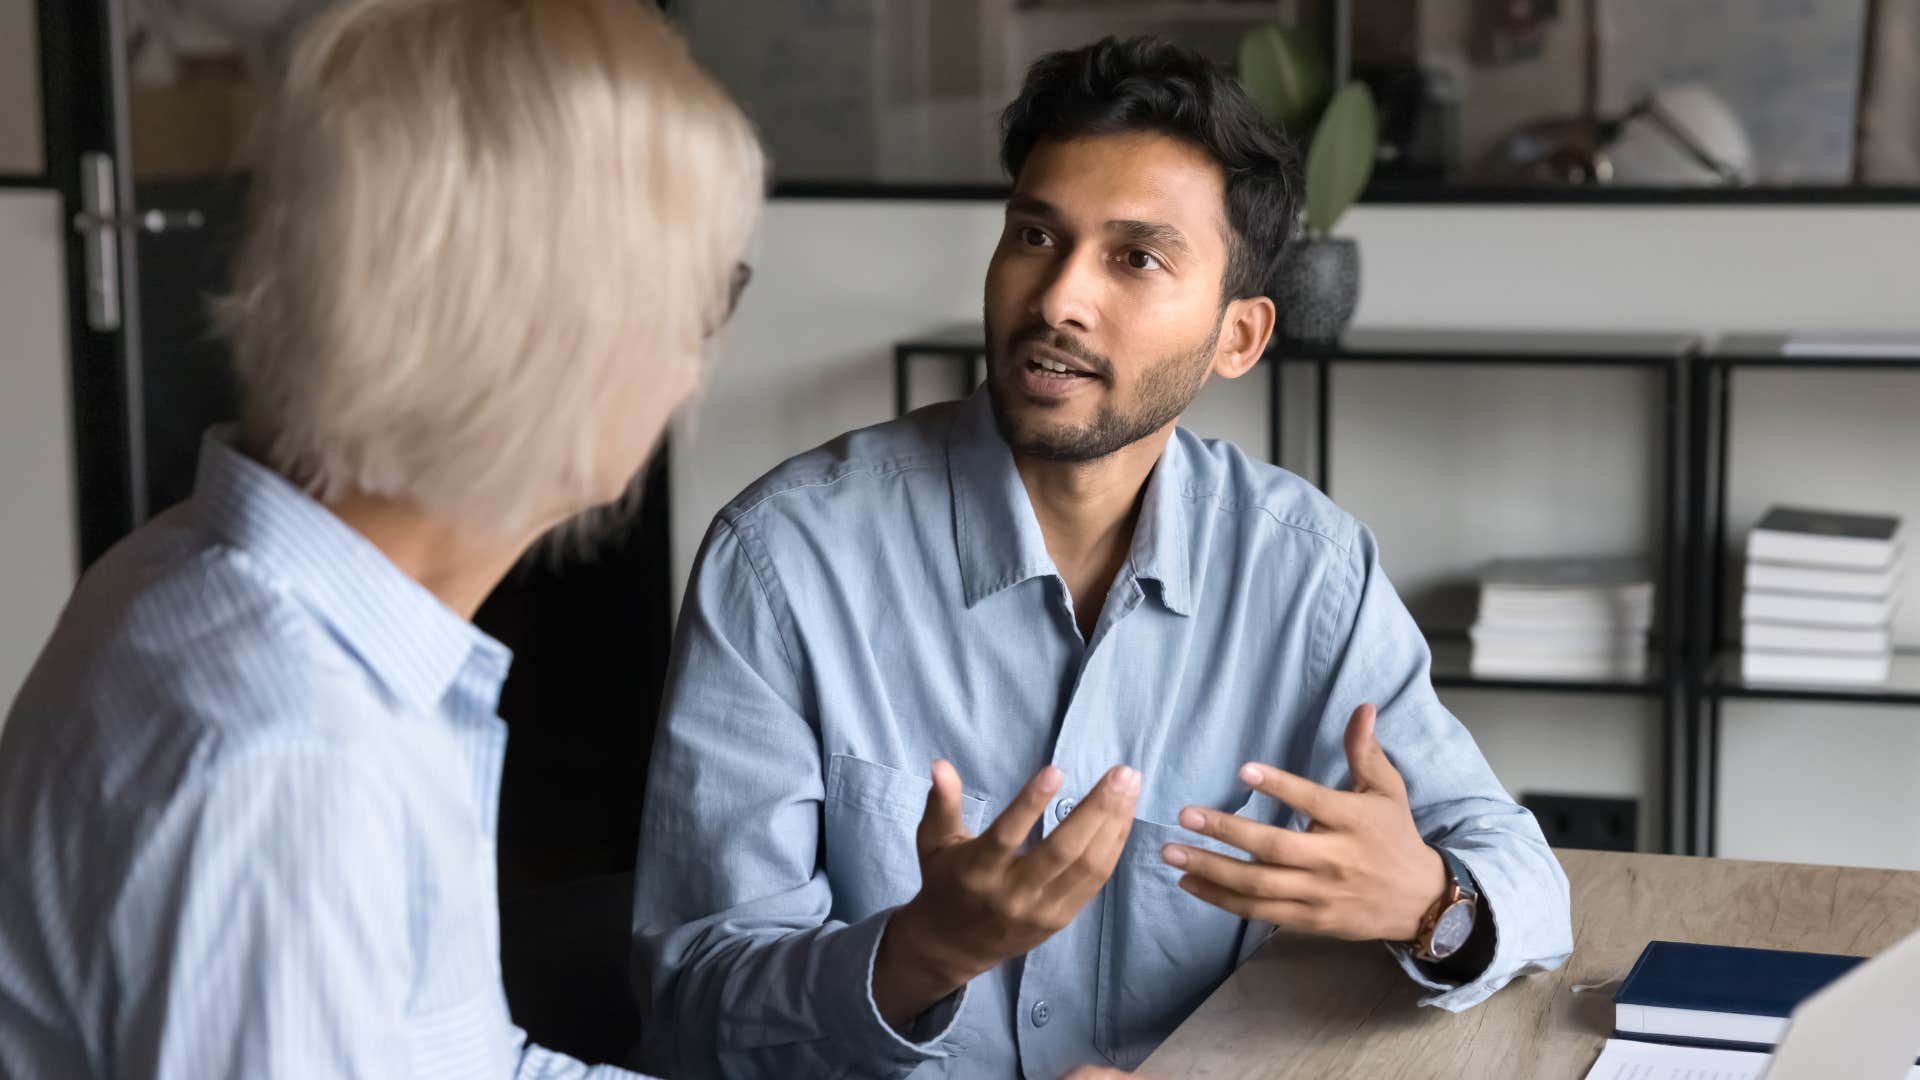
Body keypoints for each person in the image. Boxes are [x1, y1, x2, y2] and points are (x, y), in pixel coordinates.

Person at [632, 36, 1573, 1079]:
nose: (1058, 299)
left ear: (1241, 336)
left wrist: (1427, 905)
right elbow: (689, 1013)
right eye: (1035, 234)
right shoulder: (782, 563)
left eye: (1137, 257)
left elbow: (1523, 880)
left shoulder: (1307, 573)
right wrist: (919, 955)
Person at [0, 0, 763, 1076]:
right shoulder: (293, 762)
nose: (698, 362)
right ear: (555, 340)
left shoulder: (190, 569)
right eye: (706, 296)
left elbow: (459, 1058)